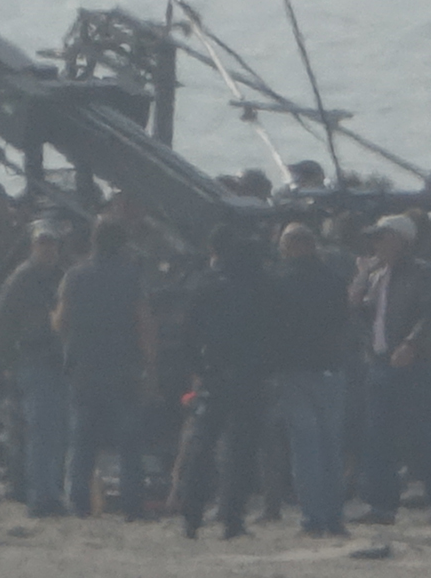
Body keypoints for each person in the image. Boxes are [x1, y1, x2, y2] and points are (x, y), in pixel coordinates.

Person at [348, 214, 431, 526]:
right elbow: (363, 311)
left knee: (423, 436)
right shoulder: (378, 276)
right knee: (378, 437)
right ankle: (382, 506)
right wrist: (360, 281)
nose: (377, 243)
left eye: (383, 237)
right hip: (380, 363)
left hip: (413, 366)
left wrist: (412, 343)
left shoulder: (422, 273)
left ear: (401, 240)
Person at [54, 215, 154, 521]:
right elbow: (143, 323)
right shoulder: (131, 275)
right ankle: (132, 505)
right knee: (129, 442)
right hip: (123, 367)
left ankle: (79, 504)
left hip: (84, 368)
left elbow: (61, 322)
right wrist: (150, 365)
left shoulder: (74, 275)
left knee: (82, 440)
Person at [177, 224, 273, 539]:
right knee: (241, 451)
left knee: (202, 446)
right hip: (252, 376)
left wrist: (197, 368)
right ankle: (233, 519)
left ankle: (191, 517)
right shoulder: (262, 287)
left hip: (215, 374)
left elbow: (187, 332)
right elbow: (275, 332)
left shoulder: (208, 286)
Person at [269, 223, 350, 537]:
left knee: (305, 447)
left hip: (295, 369)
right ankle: (334, 516)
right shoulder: (333, 280)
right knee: (331, 446)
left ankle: (312, 517)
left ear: (291, 246)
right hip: (331, 367)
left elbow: (273, 326)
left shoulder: (281, 280)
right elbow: (344, 321)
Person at [0, 219, 69, 517]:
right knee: (40, 431)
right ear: (33, 246)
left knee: (57, 432)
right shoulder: (21, 279)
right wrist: (8, 364)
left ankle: (50, 491)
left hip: (59, 362)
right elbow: (2, 323)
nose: (48, 249)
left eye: (52, 244)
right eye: (42, 243)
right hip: (32, 360)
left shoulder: (62, 276)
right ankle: (40, 497)